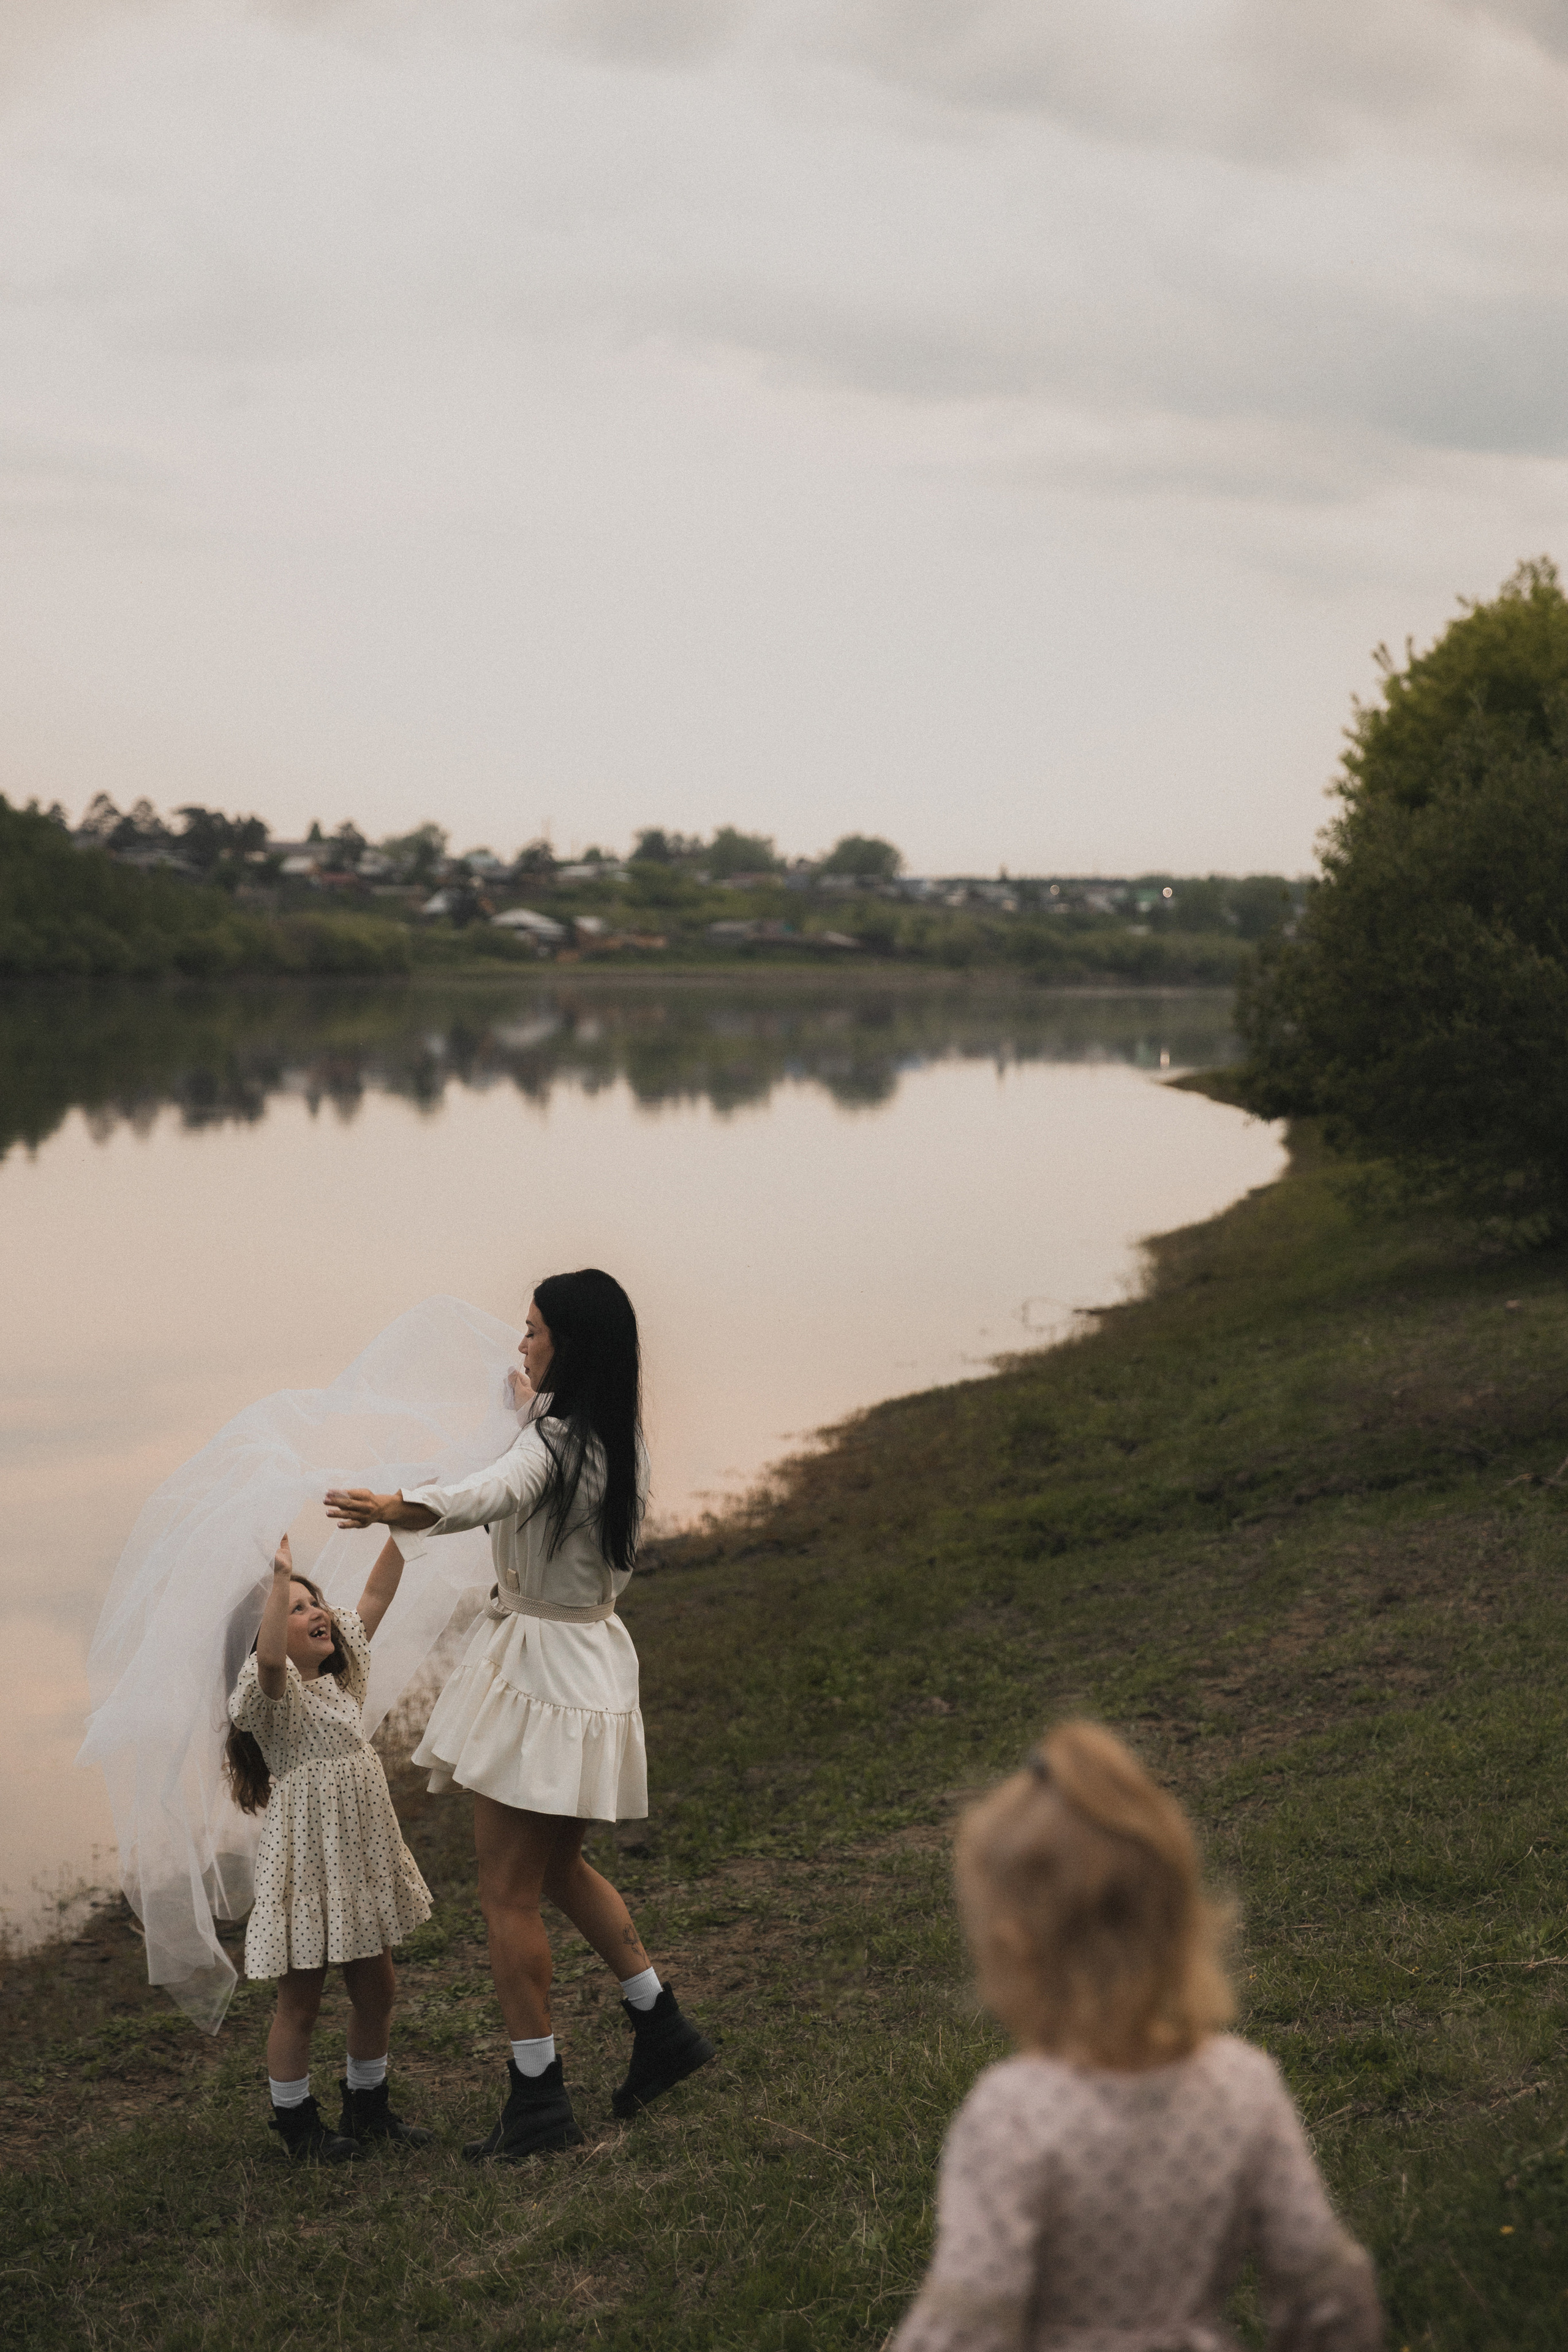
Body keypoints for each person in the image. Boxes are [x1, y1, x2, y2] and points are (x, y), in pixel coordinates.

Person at [324, 1267, 714, 2162]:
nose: (521, 1342)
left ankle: (538, 2098)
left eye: (533, 1329)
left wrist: (398, 1506)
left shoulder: (552, 1449)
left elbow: (488, 1493)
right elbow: (531, 1460)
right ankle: (663, 2027)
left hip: (538, 1676)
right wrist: (532, 1406)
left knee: (506, 1893)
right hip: (594, 1663)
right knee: (562, 1867)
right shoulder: (619, 1440)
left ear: (567, 1346)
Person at [890, 1721, 1382, 2352]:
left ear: (1015, 1951)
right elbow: (1322, 2285)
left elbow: (972, 2322)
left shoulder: (1011, 2115)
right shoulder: (1243, 2083)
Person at [225, 1534, 435, 2163]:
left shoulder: (341, 1686)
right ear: (268, 1633)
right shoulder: (273, 1700)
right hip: (308, 1871)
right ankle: (296, 2124)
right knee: (300, 2003)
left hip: (360, 1864)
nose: (317, 1611)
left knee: (378, 1991)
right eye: (296, 1608)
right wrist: (280, 1575)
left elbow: (375, 1593)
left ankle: (368, 2106)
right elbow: (267, 1662)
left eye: (315, 1601)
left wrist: (403, 1530)